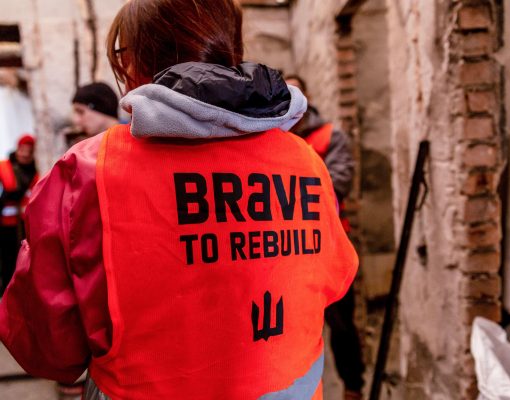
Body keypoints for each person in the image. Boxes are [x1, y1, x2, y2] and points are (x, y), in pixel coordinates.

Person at [0, 1, 358, 399]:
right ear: (231, 48)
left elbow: (50, 350)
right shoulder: (303, 160)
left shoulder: (85, 172)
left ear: (133, 60)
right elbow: (335, 278)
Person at [286, 75, 365, 400]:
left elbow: (339, 181)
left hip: (329, 245)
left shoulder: (329, 136)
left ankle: (352, 387)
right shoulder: (276, 139)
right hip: (289, 252)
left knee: (341, 324)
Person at [0, 134, 37, 294]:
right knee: (5, 259)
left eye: (29, 152)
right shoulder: (4, 167)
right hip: (4, 223)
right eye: (23, 151)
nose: (25, 155)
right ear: (18, 149)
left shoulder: (34, 172)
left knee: (18, 258)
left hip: (22, 224)